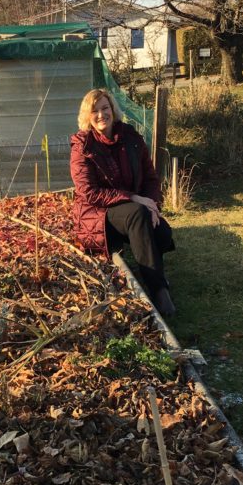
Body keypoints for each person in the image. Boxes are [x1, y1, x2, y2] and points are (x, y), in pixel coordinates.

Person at [69, 87, 176, 317]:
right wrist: (135, 198)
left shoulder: (130, 136)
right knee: (138, 214)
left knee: (163, 233)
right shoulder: (82, 145)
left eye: (105, 108)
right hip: (96, 214)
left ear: (113, 109)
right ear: (87, 116)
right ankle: (158, 291)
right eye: (94, 110)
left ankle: (153, 273)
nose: (101, 115)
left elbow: (150, 177)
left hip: (133, 209)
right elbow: (89, 192)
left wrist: (152, 204)